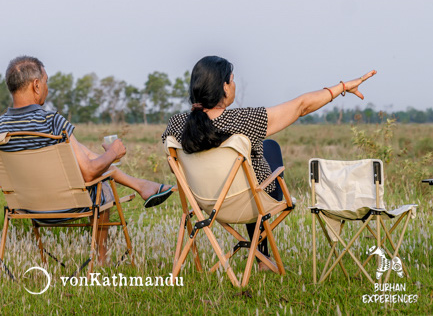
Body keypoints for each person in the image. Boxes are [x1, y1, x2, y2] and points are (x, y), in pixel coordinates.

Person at [162, 55, 376, 266]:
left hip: (205, 205)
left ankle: (260, 254)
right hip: (249, 204)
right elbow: (301, 106)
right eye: (232, 79)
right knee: (269, 148)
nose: (234, 85)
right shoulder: (245, 120)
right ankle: (263, 256)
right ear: (224, 87)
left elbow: (176, 171)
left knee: (256, 158)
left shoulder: (176, 125)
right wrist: (342, 87)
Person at [0, 56, 174, 264]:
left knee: (79, 149)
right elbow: (90, 173)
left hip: (25, 209)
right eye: (46, 82)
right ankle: (101, 260)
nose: (47, 88)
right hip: (66, 207)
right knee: (104, 187)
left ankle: (142, 185)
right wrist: (113, 154)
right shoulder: (52, 122)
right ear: (36, 85)